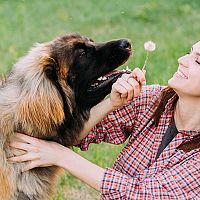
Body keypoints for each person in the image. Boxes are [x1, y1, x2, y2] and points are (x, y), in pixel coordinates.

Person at [8, 41, 200, 199]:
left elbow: (143, 195)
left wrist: (61, 155)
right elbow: (74, 135)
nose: (182, 60)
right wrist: (111, 104)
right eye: (189, 53)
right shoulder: (154, 100)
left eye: (197, 61)